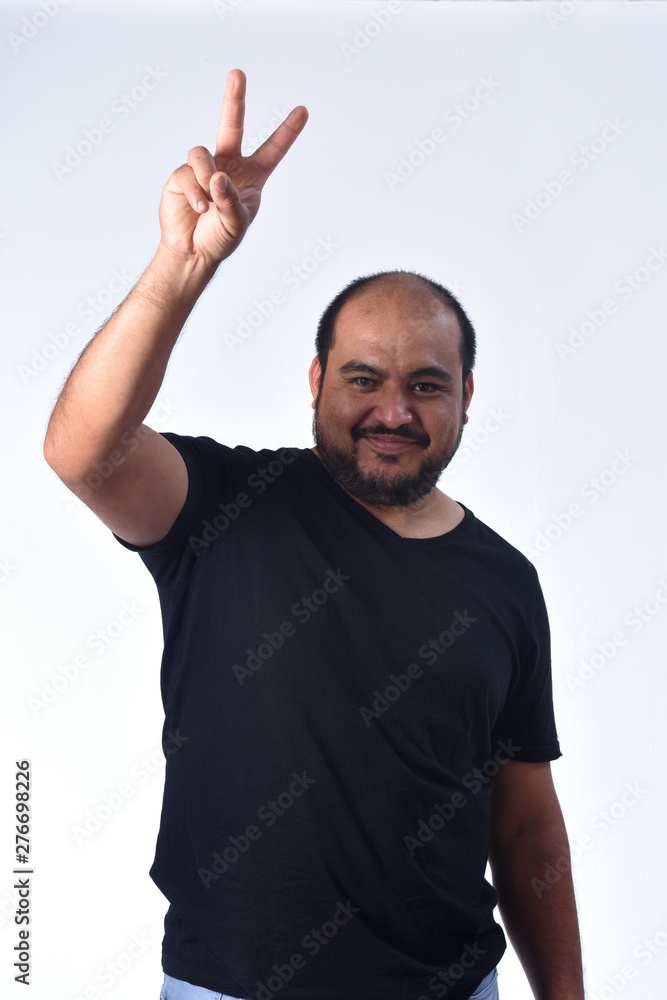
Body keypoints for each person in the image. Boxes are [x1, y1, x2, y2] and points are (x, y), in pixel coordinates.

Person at [43, 69, 585, 1000]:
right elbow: (83, 450)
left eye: (426, 384)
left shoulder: (503, 581)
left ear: (464, 401)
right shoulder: (224, 503)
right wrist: (184, 266)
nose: (393, 410)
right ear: (314, 380)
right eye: (363, 378)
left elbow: (527, 826)